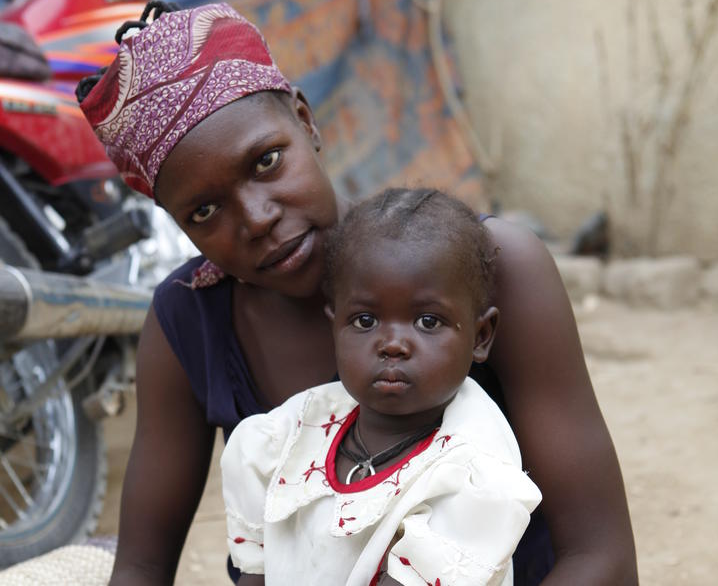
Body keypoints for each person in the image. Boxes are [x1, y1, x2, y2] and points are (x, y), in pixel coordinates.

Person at [76, 0, 637, 586]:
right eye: (205, 210)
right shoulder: (187, 321)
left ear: (306, 120)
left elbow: (601, 558)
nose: (258, 217)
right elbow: (141, 567)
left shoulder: (493, 266)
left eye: (267, 162)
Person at [221, 187, 542, 586]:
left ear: (480, 336)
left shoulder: (474, 466)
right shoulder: (290, 432)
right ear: (334, 327)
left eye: (428, 321)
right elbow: (256, 572)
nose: (392, 344)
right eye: (365, 321)